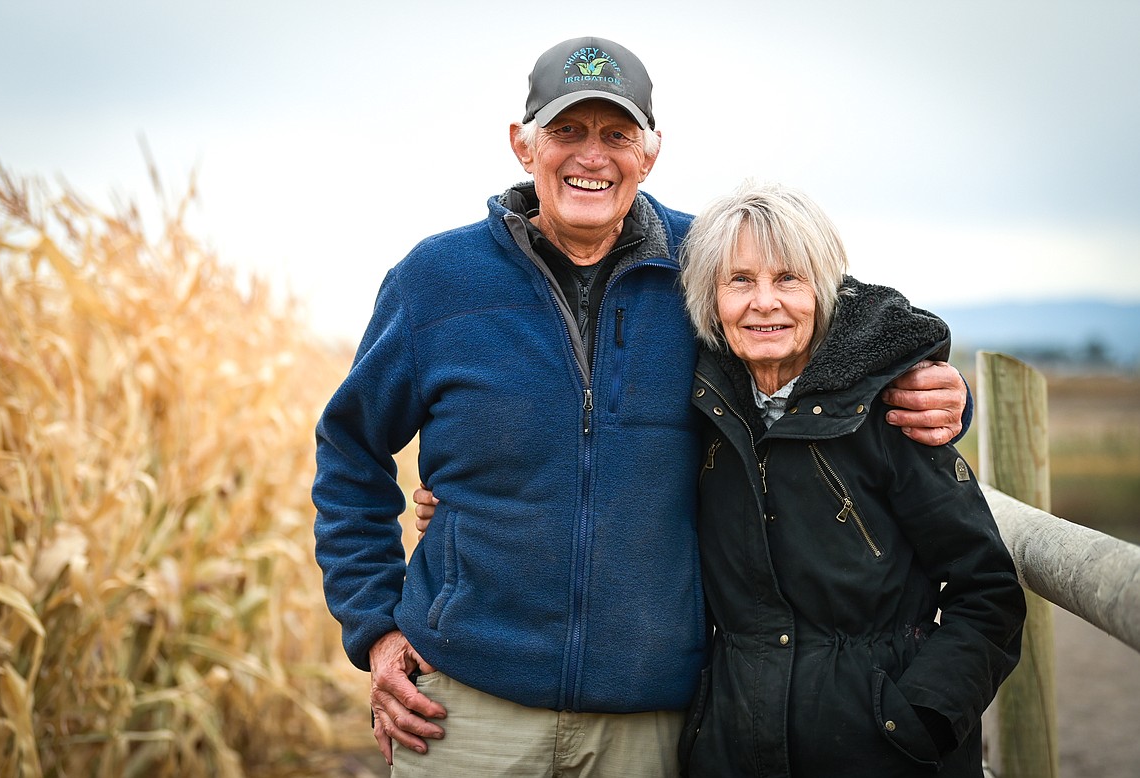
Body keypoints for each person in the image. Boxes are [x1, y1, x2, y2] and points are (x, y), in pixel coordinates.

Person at [313, 36, 970, 776]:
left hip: (652, 718)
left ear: (650, 152)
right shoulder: (435, 280)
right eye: (567, 131)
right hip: (463, 710)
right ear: (522, 146)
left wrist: (932, 386)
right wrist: (374, 625)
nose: (592, 156)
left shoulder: (712, 264)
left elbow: (839, 336)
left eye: (616, 135)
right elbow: (350, 451)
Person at [674, 180, 1026, 776]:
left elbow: (988, 592)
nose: (765, 302)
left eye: (789, 278)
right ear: (709, 300)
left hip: (886, 751)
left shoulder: (892, 413)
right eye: (739, 280)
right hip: (735, 748)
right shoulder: (705, 417)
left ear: (826, 291)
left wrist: (925, 716)